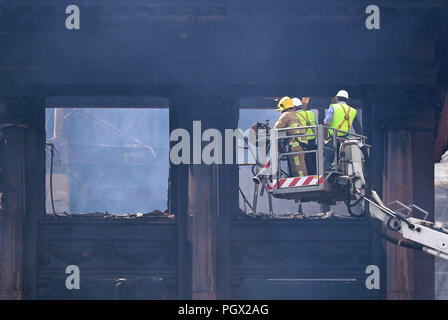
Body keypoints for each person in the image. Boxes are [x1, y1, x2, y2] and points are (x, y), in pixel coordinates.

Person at [323, 89, 361, 171]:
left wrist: (325, 138)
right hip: (345, 140)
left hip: (333, 139)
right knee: (343, 160)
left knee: (327, 162)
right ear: (347, 99)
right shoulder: (353, 111)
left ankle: (328, 177)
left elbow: (326, 122)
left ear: (337, 98)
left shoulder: (333, 107)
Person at [274, 96, 307, 177]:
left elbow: (276, 128)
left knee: (298, 167)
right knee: (299, 165)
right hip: (301, 144)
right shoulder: (295, 115)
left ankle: (301, 181)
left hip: (295, 145)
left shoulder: (285, 115)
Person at [293, 97, 317, 175]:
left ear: (294, 107)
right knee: (314, 159)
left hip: (303, 142)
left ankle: (310, 174)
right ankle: (315, 173)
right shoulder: (311, 113)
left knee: (306, 161)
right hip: (312, 140)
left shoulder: (295, 116)